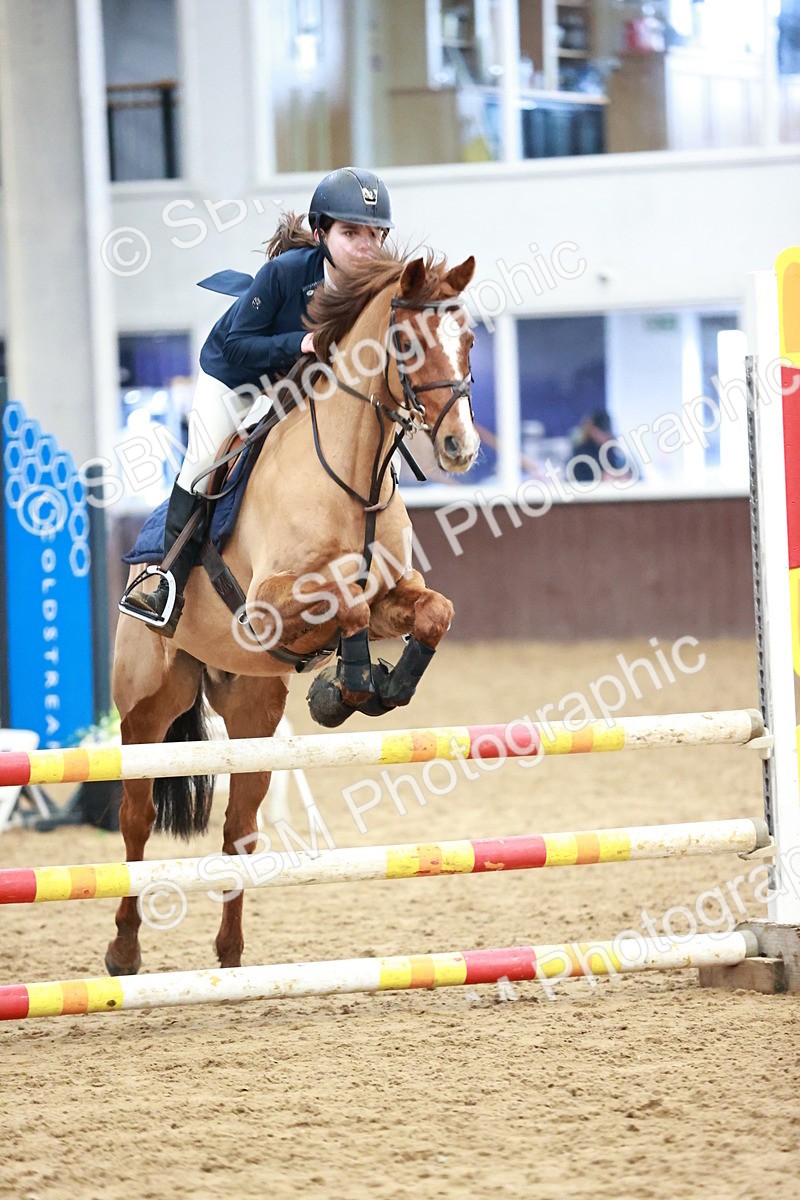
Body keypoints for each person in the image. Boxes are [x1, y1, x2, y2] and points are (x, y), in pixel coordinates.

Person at [122, 167, 393, 635]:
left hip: (297, 384)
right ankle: (166, 581)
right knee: (203, 464)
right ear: (320, 233)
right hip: (234, 376)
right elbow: (237, 346)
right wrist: (300, 344)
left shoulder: (371, 289)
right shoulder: (283, 274)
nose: (365, 246)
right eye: (351, 233)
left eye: (375, 234)